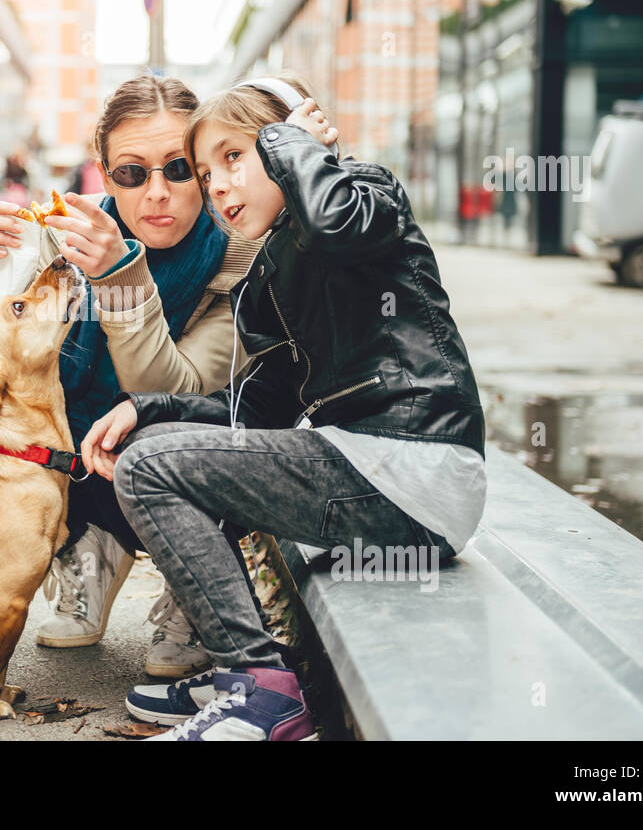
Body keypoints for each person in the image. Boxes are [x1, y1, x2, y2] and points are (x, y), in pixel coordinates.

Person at [79, 75, 488, 740]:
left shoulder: (364, 197)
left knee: (153, 469)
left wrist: (290, 142)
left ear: (292, 142)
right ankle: (251, 672)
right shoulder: (270, 275)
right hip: (373, 478)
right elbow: (252, 417)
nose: (215, 185)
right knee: (158, 457)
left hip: (412, 470)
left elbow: (332, 222)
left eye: (233, 157)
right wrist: (147, 408)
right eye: (206, 171)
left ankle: (260, 690)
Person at [0, 75, 264, 678]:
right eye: (132, 173)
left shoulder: (237, 258)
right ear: (104, 176)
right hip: (73, 455)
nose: (156, 193)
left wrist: (119, 278)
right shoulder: (58, 243)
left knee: (149, 445)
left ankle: (193, 587)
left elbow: (177, 394)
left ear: (205, 173)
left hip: (169, 459)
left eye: (178, 169)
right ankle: (84, 543)